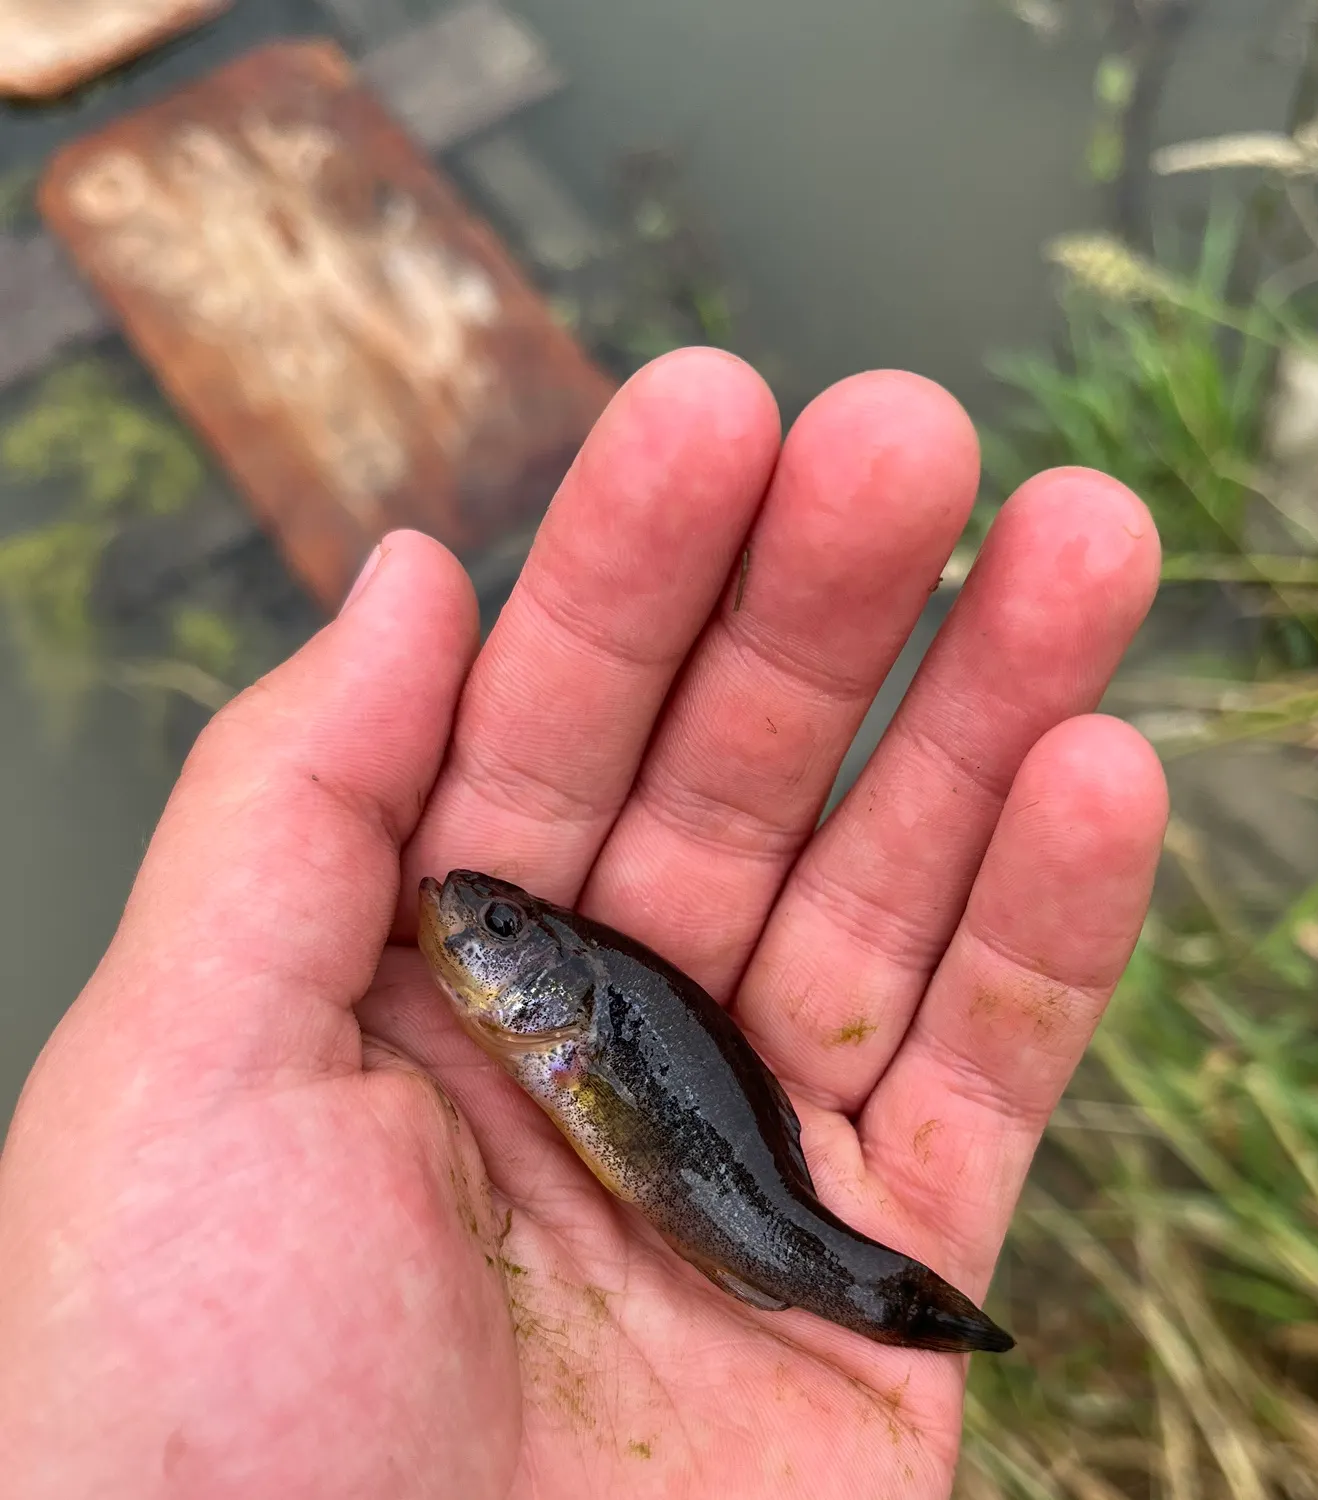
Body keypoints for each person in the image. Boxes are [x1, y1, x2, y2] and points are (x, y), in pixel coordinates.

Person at [0, 350, 1167, 1498]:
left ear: (565, 987)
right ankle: (881, 1295)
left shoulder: (586, 1026)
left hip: (744, 1237)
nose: (469, 918)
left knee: (789, 1235)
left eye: (503, 927)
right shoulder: (560, 1031)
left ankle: (885, 1297)